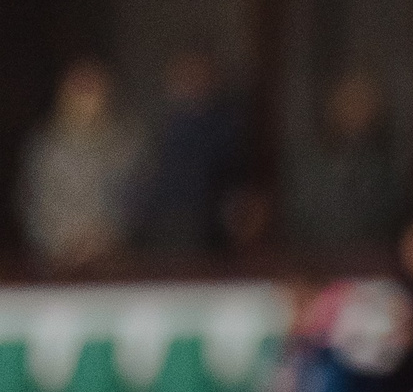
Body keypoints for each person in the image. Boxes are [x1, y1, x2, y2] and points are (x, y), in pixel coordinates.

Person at [17, 57, 142, 270]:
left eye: (92, 88)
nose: (86, 98)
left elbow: (135, 198)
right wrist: (63, 244)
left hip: (113, 260)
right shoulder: (44, 146)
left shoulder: (126, 144)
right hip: (56, 262)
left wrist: (104, 239)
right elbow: (32, 201)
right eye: (78, 88)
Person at [129, 48, 249, 256]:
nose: (190, 84)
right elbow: (138, 186)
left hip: (208, 238)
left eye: (197, 75)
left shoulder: (227, 129)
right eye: (183, 76)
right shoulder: (153, 128)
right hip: (155, 236)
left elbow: (237, 192)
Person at [292, 69, 404, 250]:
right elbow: (300, 215)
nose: (355, 111)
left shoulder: (385, 167)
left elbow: (389, 218)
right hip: (312, 257)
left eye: (362, 103)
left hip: (368, 261)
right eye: (349, 101)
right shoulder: (309, 163)